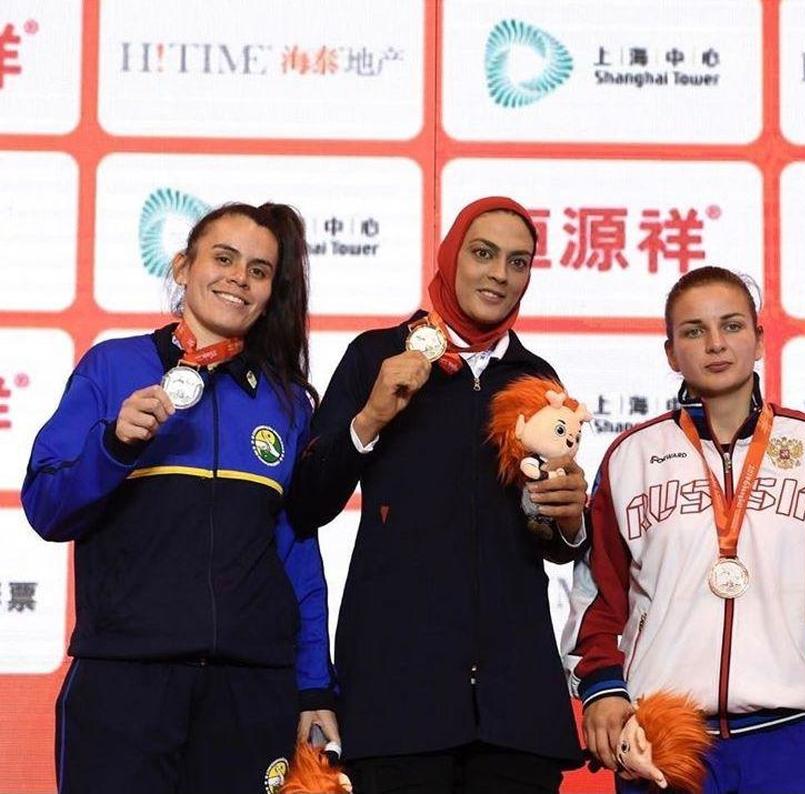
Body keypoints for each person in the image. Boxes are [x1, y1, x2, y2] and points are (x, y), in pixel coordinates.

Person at [22, 203, 337, 793]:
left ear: (271, 293)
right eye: (223, 258)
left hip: (249, 687)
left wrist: (315, 685)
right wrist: (113, 445)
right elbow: (46, 507)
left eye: (259, 270)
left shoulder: (288, 402)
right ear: (182, 266)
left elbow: (298, 556)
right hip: (126, 678)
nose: (239, 278)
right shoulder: (112, 367)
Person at [287, 196, 588, 793]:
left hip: (514, 704)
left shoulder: (536, 378)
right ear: (451, 258)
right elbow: (309, 501)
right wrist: (371, 418)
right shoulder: (376, 355)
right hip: (399, 697)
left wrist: (569, 519)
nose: (499, 274)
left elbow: (550, 542)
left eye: (518, 262)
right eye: (483, 254)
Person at [562, 266, 805, 794]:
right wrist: (602, 687)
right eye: (694, 331)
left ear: (760, 340)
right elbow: (598, 594)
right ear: (671, 352)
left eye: (732, 325)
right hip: (665, 734)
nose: (715, 343)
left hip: (792, 733)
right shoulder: (632, 456)